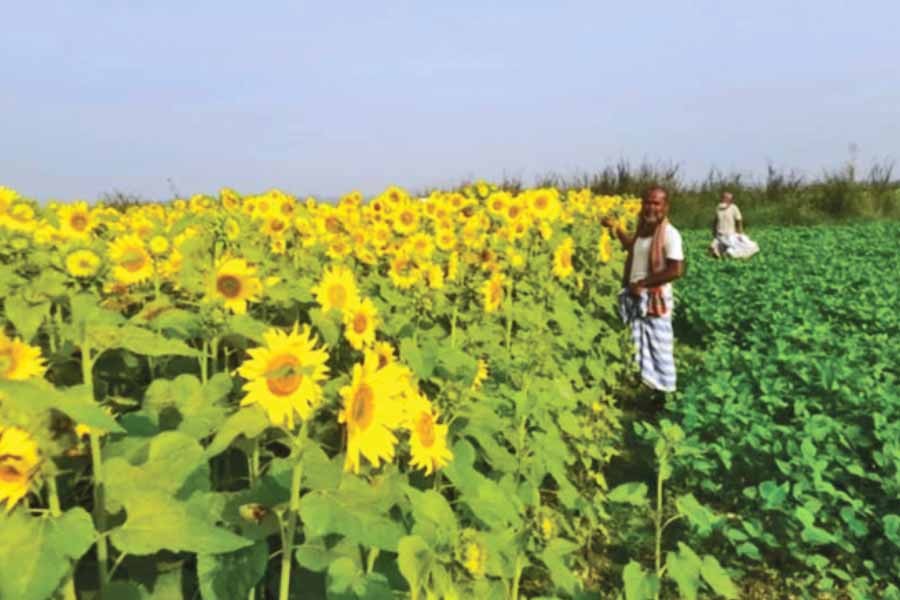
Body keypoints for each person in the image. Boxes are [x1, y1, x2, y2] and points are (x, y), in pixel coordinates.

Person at [601, 186, 684, 394]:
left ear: (666, 207)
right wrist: (616, 228)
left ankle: (664, 392)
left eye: (656, 203)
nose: (651, 207)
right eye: (647, 202)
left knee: (659, 348)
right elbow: (632, 246)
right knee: (639, 345)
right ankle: (646, 388)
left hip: (655, 300)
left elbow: (676, 270)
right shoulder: (644, 232)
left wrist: (644, 283)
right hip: (637, 297)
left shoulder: (670, 234)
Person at [708, 191, 759, 259]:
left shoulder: (734, 207)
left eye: (728, 199)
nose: (725, 200)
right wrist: (714, 231)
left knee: (739, 246)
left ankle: (729, 254)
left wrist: (740, 232)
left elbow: (739, 220)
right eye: (724, 198)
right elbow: (715, 220)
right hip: (720, 234)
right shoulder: (718, 208)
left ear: (730, 200)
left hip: (730, 234)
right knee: (712, 248)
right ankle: (720, 253)